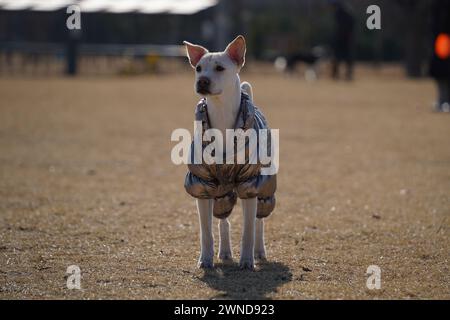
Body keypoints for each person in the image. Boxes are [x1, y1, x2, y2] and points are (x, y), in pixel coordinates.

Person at [429, 0, 450, 112]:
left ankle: (445, 101)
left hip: (443, 39)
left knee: (444, 72)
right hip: (440, 40)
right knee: (441, 73)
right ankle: (442, 100)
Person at [330, 0, 355, 81]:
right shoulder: (341, 13)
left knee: (343, 58)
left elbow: (349, 26)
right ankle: (337, 75)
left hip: (344, 39)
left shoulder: (343, 14)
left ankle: (346, 75)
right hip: (342, 39)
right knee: (339, 58)